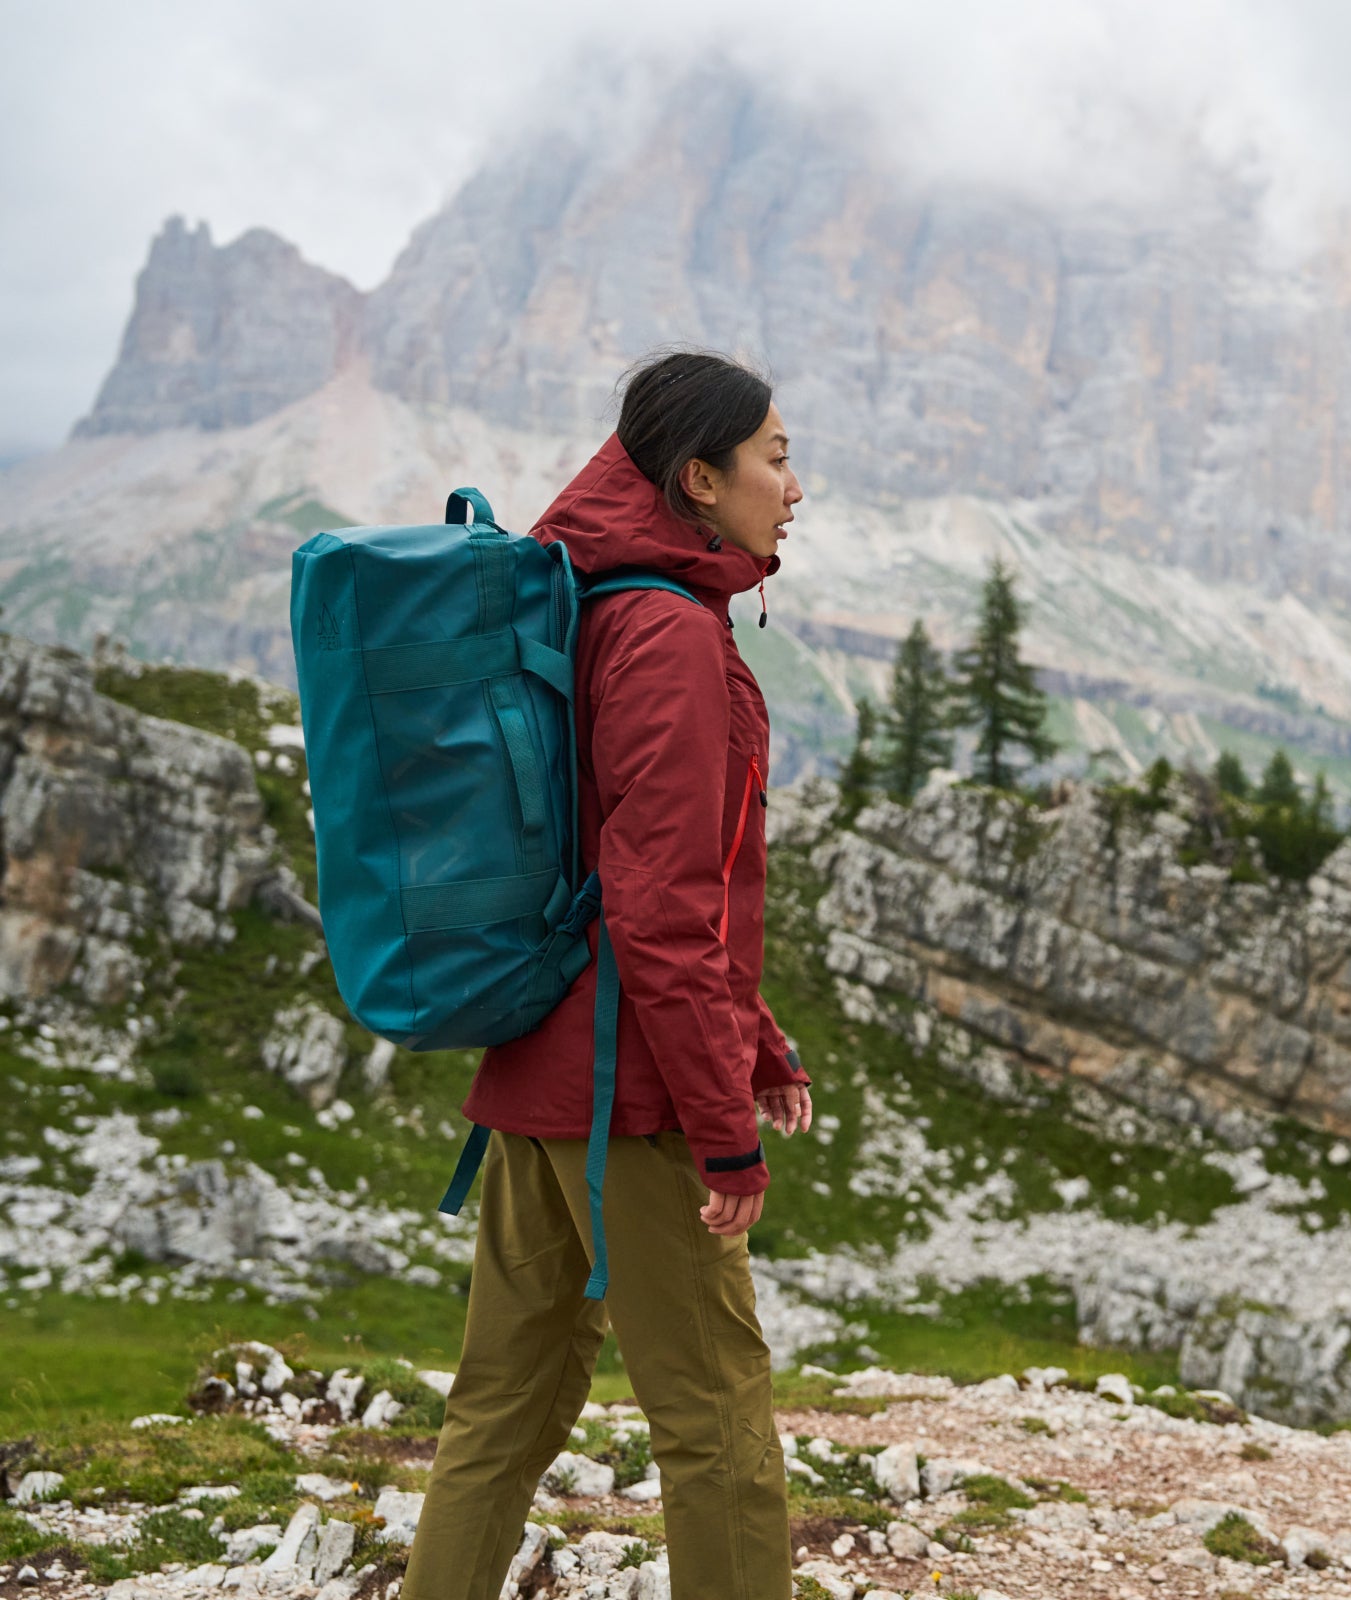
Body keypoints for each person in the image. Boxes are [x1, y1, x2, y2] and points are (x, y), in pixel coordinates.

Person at [400, 350, 810, 1600]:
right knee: (720, 1434)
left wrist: (756, 1033)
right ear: (699, 477)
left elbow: (624, 870)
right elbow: (661, 900)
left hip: (539, 1069)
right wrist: (719, 1127)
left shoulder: (592, 599)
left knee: (499, 1418)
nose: (797, 486)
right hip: (625, 1101)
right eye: (777, 457)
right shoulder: (667, 632)